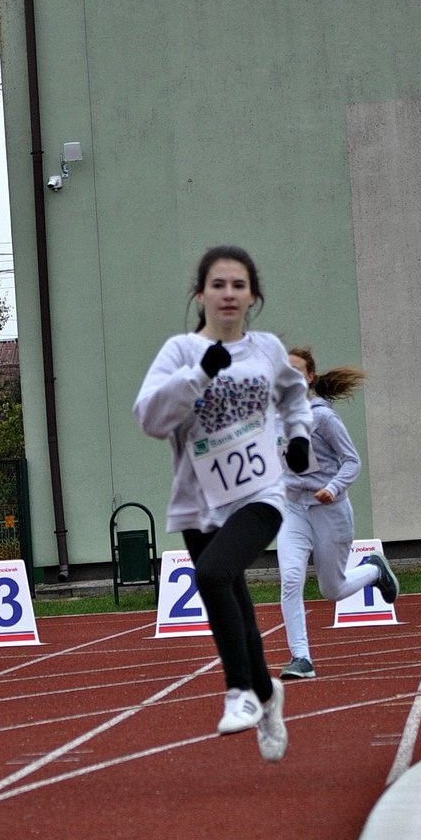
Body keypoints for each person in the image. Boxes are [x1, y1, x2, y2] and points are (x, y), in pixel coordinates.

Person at [134, 245, 312, 762]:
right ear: (201, 294)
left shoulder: (267, 351)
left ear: (253, 295)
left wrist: (298, 436)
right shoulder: (180, 352)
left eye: (239, 285)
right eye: (218, 284)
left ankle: (238, 691)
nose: (229, 294)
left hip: (261, 493)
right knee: (234, 601)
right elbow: (149, 419)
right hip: (199, 501)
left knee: (212, 576)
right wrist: (197, 377)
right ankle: (266, 694)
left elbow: (294, 394)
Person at [276, 346, 398, 680]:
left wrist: (332, 487)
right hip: (293, 511)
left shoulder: (323, 417)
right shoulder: (273, 418)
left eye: (296, 372)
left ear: (309, 378)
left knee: (332, 590)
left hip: (330, 510)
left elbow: (352, 461)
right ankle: (301, 657)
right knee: (290, 579)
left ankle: (374, 570)